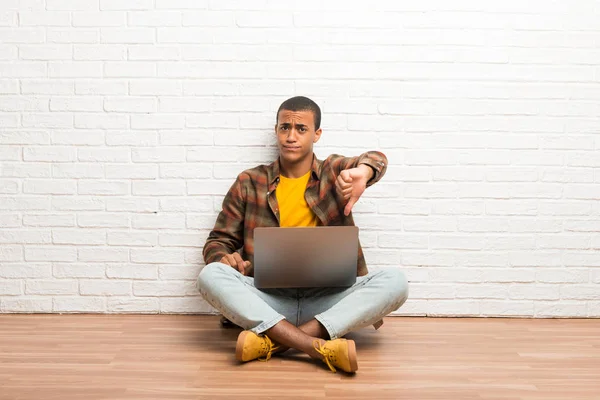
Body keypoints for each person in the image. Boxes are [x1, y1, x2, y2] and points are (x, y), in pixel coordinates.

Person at [196, 96, 408, 373]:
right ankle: (317, 347)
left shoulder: (334, 172)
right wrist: (223, 258)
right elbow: (218, 241)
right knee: (209, 275)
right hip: (268, 299)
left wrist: (364, 172)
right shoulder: (249, 181)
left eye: (301, 129)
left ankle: (274, 342)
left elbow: (377, 159)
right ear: (276, 131)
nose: (291, 136)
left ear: (317, 134)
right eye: (285, 127)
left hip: (326, 300)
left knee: (396, 281)